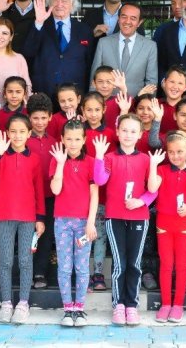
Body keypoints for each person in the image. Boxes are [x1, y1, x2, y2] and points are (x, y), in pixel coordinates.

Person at [92, 115, 159, 326]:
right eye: (124, 130)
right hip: (115, 217)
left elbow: (153, 190)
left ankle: (131, 305)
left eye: (133, 131)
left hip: (139, 217)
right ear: (118, 132)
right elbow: (99, 179)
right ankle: (118, 305)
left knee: (134, 263)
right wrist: (99, 156)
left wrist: (141, 201)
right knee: (119, 263)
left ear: (140, 135)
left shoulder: (146, 159)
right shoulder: (110, 157)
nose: (128, 135)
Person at [0, 116, 46, 325]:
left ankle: (23, 303)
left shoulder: (34, 159)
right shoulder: (1, 156)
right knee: (6, 261)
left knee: (25, 261)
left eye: (22, 131)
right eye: (13, 131)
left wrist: (40, 218)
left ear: (29, 134)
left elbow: (39, 190)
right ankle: (6, 302)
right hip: (5, 215)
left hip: (28, 217)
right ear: (7, 133)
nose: (17, 136)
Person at [49, 120, 98, 327]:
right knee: (65, 266)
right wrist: (60, 164)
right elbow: (55, 190)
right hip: (62, 221)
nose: (73, 143)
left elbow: (94, 194)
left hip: (83, 223)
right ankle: (67, 308)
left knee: (82, 266)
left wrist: (91, 222)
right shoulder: (56, 161)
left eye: (77, 139)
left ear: (84, 140)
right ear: (62, 139)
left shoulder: (92, 162)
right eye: (68, 139)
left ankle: (79, 307)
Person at [148, 132, 186, 324]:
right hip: (163, 224)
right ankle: (165, 304)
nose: (176, 156)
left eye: (180, 151)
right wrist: (153, 165)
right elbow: (152, 188)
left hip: (184, 225)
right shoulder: (162, 170)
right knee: (166, 264)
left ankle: (178, 304)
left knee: (182, 265)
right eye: (171, 152)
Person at [22, 0, 93, 97]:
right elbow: (28, 53)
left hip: (74, 95)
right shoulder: (39, 25)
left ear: (72, 4)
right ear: (49, 3)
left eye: (64, 1)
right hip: (43, 93)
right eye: (55, 0)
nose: (59, 5)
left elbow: (89, 63)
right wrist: (39, 23)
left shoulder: (84, 30)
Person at [81, 92, 117, 291]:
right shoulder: (79, 131)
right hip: (81, 193)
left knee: (99, 235)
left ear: (104, 110)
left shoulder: (110, 134)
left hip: (103, 193)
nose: (93, 114)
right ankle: (83, 273)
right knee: (83, 234)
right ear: (83, 111)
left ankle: (98, 273)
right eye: (89, 110)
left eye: (97, 109)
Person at [25, 93, 58, 289]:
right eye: (35, 118)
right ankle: (26, 271)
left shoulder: (55, 142)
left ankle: (40, 273)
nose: (39, 122)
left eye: (43, 117)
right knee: (26, 235)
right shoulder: (22, 140)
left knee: (45, 235)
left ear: (50, 117)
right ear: (29, 117)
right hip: (27, 197)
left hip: (49, 197)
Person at [90, 3, 158, 97]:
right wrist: (93, 101)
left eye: (133, 18)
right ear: (118, 19)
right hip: (107, 102)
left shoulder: (150, 46)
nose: (127, 21)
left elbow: (151, 82)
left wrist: (144, 103)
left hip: (136, 103)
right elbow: (94, 77)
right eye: (124, 17)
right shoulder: (104, 43)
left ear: (139, 22)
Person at [158, 65, 186, 134]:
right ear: (164, 82)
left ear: (185, 87)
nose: (175, 86)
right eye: (172, 82)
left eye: (180, 83)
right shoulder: (155, 105)